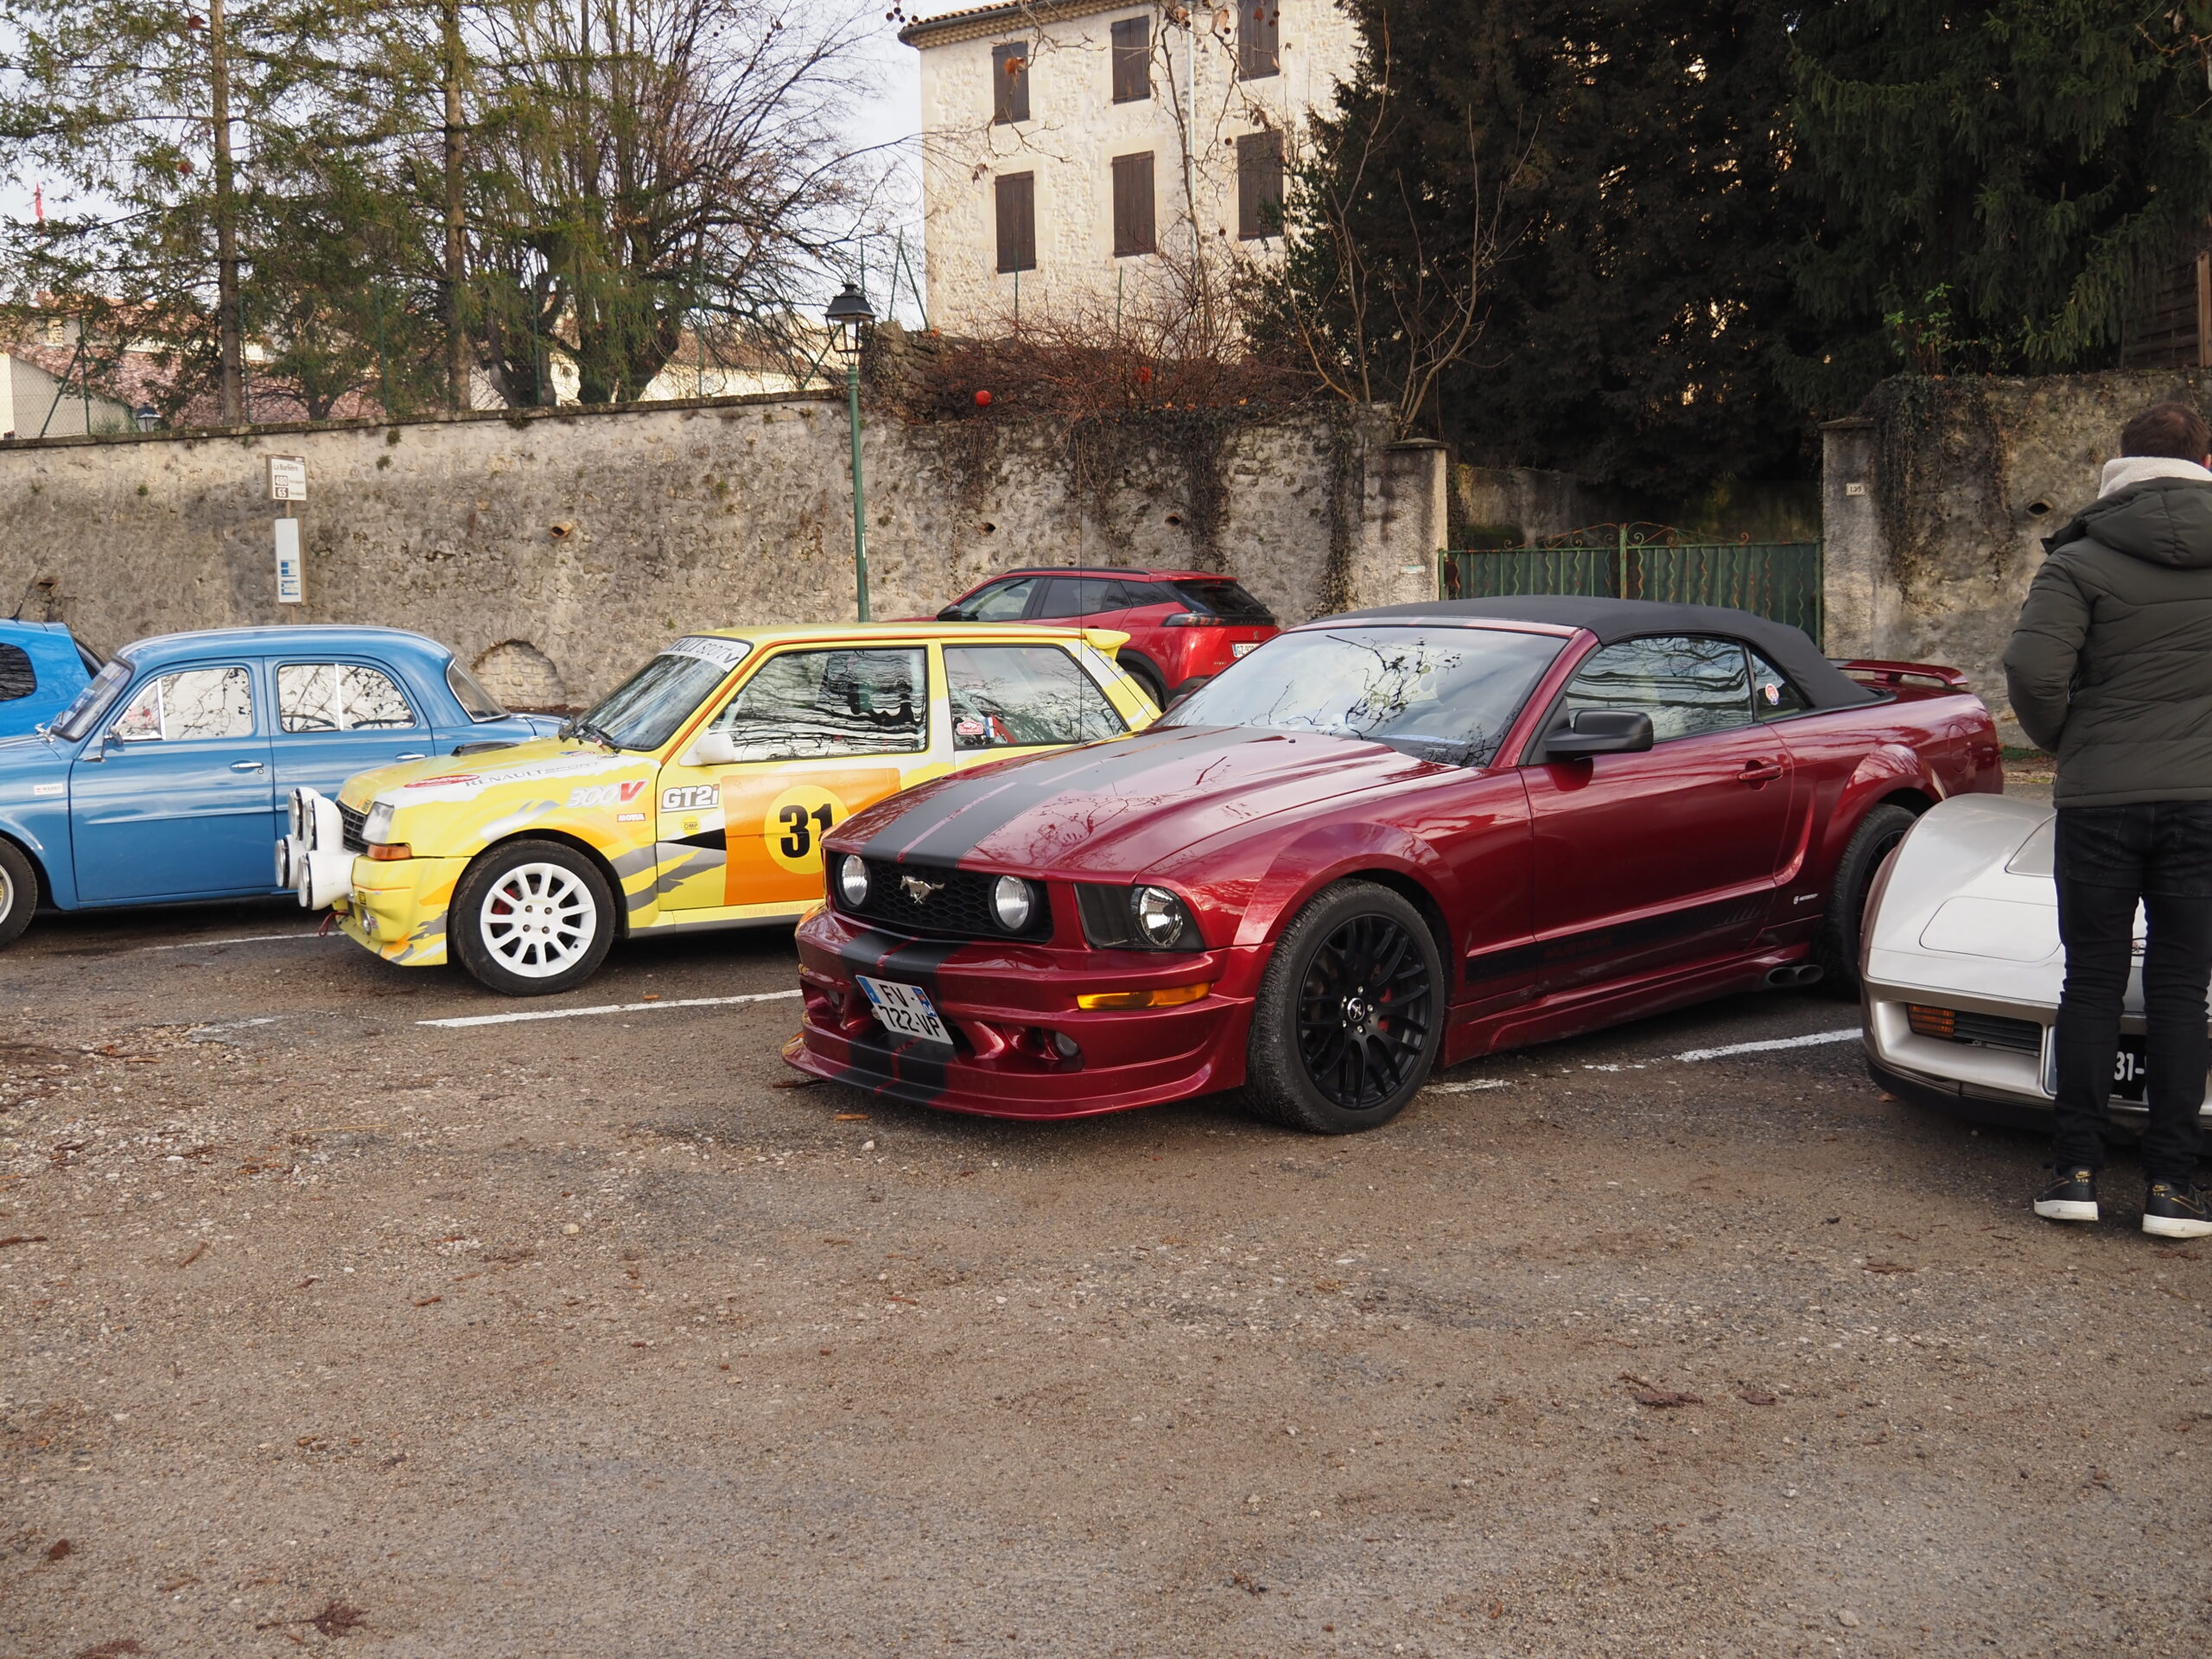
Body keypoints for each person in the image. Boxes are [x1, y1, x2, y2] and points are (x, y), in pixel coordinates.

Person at [2005, 400, 2212, 1238]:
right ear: (2205, 462)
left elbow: (2031, 669)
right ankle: (2173, 1188)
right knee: (2180, 987)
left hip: (2100, 800)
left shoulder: (2080, 558)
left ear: (2118, 465)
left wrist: (2069, 740)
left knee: (2091, 980)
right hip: (2203, 802)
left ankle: (2075, 1174)